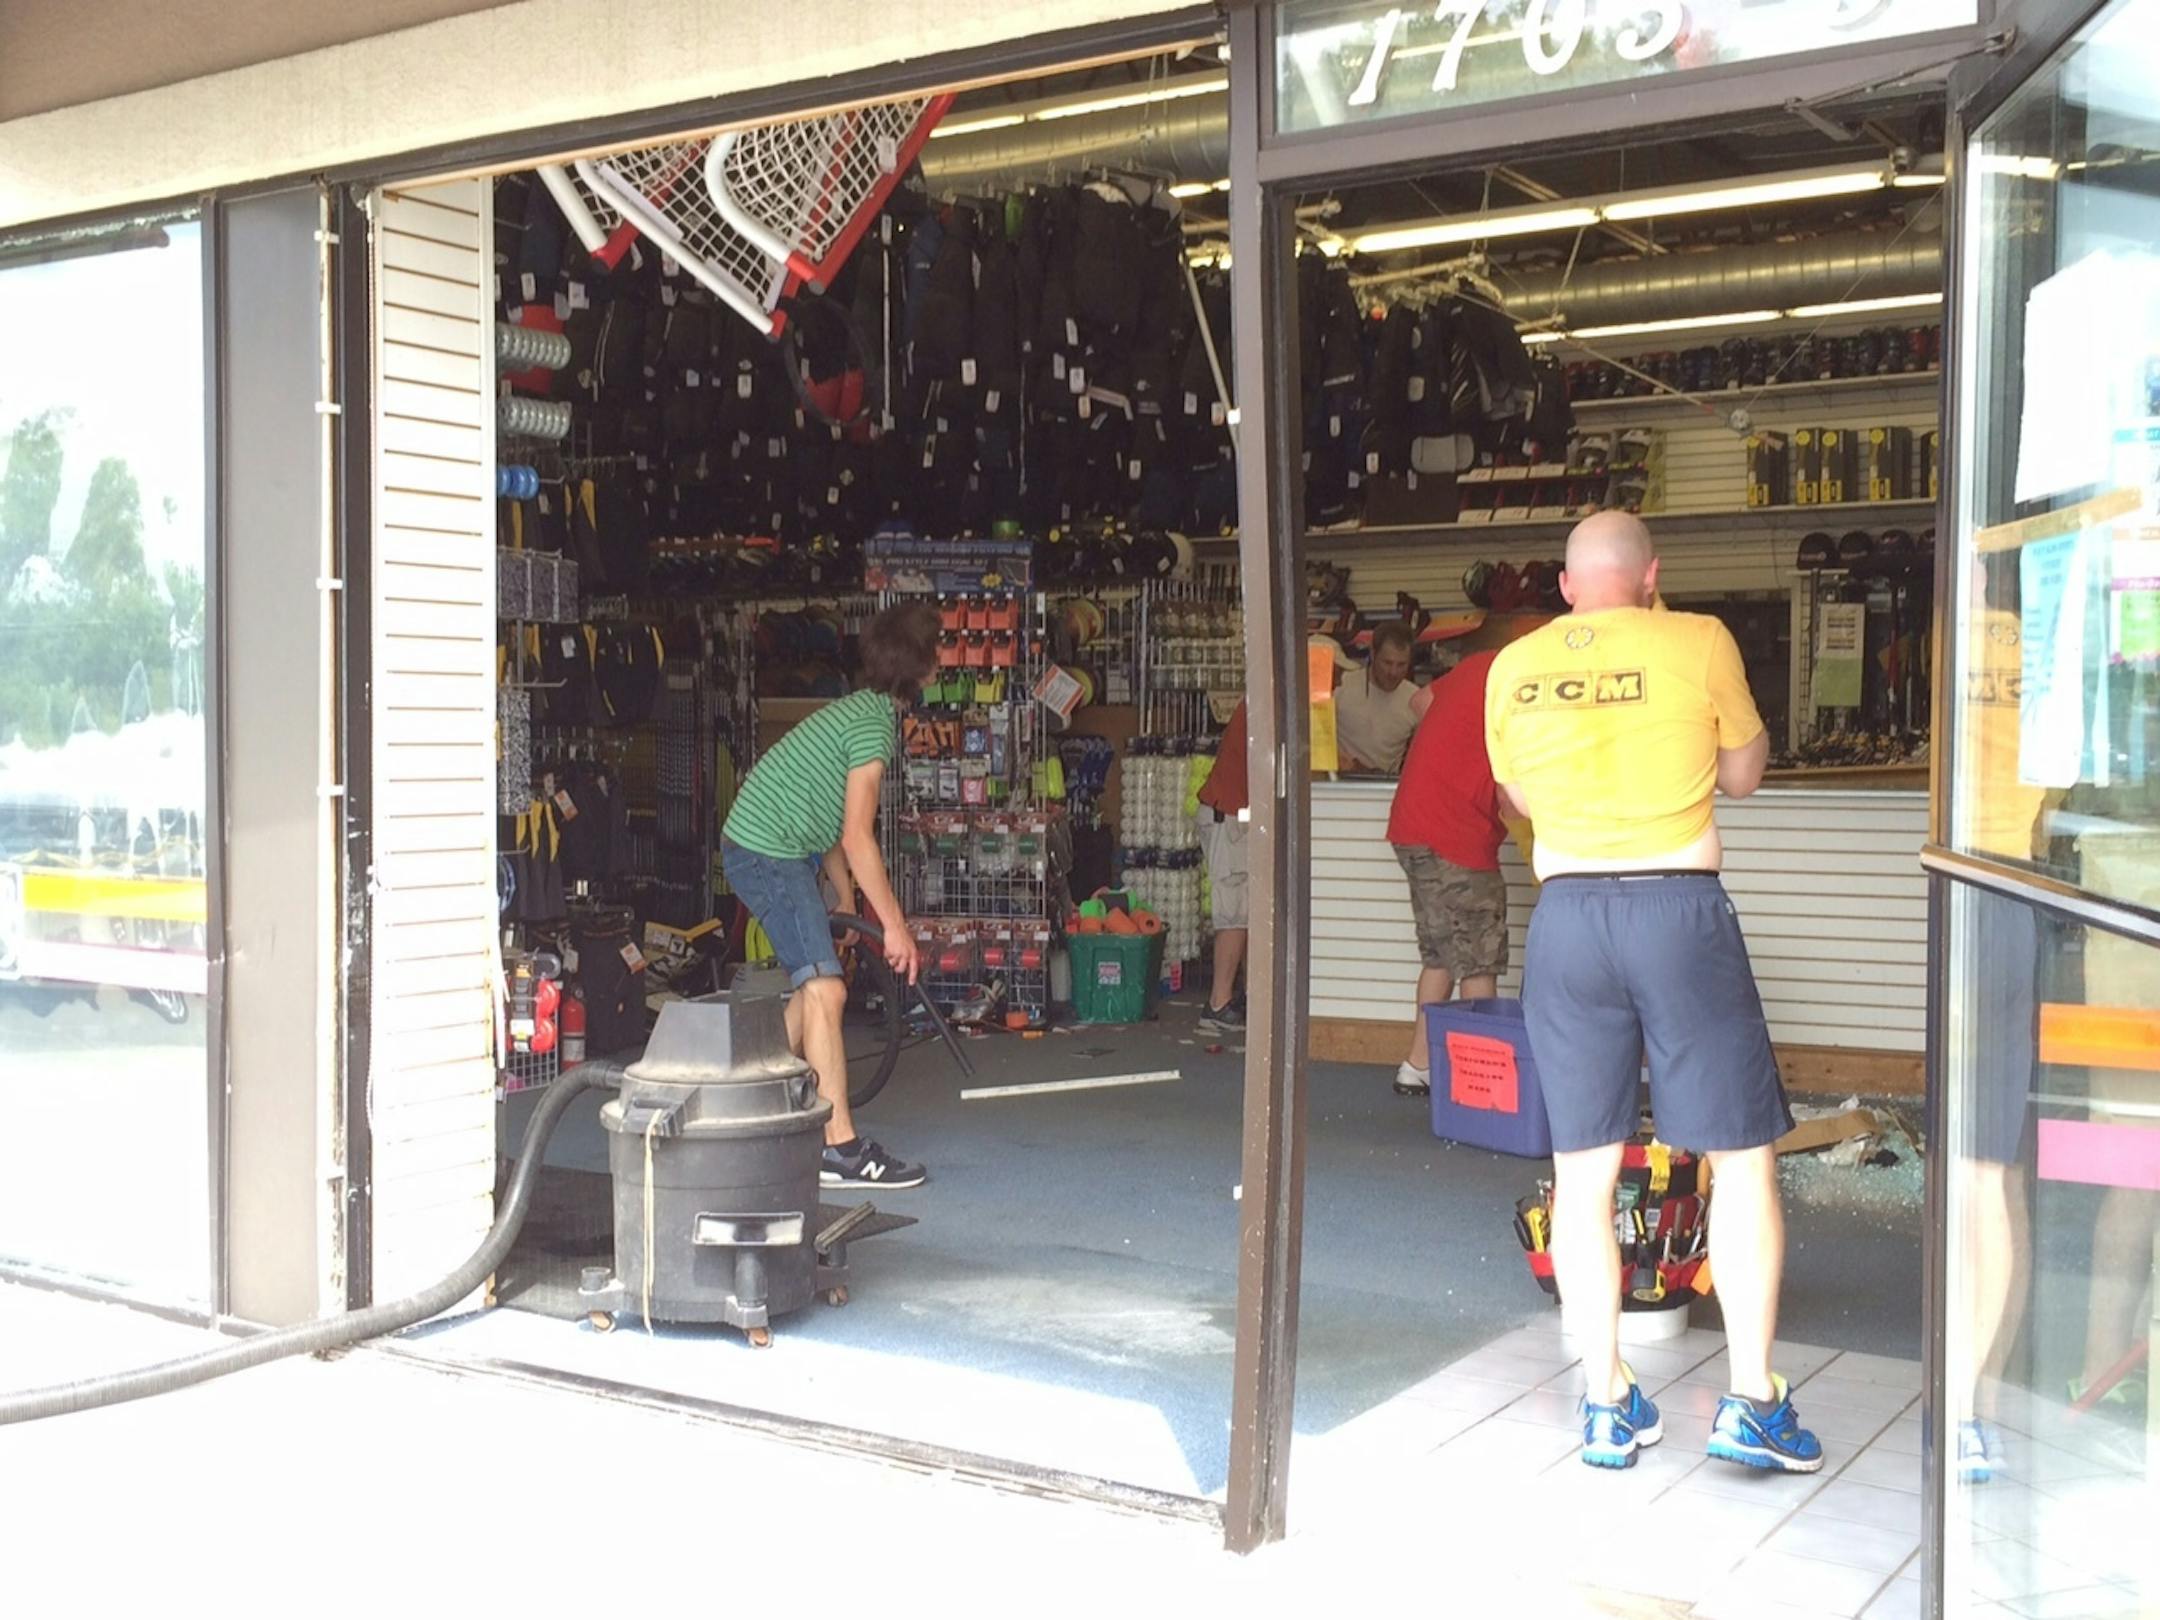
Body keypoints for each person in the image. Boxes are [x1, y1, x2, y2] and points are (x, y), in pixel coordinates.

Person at [1486, 511, 1819, 1473]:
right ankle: (1752, 1402)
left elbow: (1518, 795)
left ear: (1563, 585)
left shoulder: (1515, 666)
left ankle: (1604, 1402)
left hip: (1568, 920)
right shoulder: (1697, 638)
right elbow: (1746, 774)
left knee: (1583, 1175)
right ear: (1650, 576)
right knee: (1743, 1158)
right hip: (1677, 909)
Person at [721, 600, 938, 1190]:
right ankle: (838, 1148)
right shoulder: (872, 727)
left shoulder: (858, 711)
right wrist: (892, 926)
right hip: (767, 850)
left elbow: (833, 829)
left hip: (775, 846)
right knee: (826, 990)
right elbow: (858, 836)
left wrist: (843, 899)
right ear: (921, 668)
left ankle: (736, 1097)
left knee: (816, 991)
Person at [1386, 649, 1508, 1098]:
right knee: (1478, 957)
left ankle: (1418, 1065)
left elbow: (1420, 701)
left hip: (1412, 825)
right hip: (1458, 833)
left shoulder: (1481, 664)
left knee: (1440, 953)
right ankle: (1484, 1081)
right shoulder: (1533, 684)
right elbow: (1516, 800)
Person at [1195, 698, 1249, 1036]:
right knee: (1234, 913)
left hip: (1231, 814)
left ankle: (1241, 999)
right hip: (1229, 816)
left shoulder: (1266, 697)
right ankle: (1218, 1003)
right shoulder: (1269, 703)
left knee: (1245, 910)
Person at [1336, 621, 1421, 774]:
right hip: (1341, 786)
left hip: (1386, 788)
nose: (1393, 672)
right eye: (1387, 663)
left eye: (1401, 665)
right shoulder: (1342, 687)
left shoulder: (1416, 699)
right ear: (1373, 654)